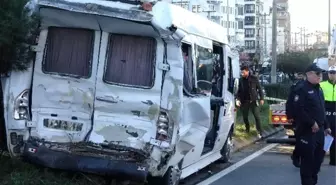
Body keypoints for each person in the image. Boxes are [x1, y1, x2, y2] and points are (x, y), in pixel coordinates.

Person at [294, 63, 331, 185]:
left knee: (317, 162)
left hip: (320, 131)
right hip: (307, 131)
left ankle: (313, 182)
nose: (321, 76)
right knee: (308, 163)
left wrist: (326, 126)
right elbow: (299, 109)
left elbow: (321, 109)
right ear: (309, 74)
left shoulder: (318, 89)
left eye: (321, 73)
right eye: (318, 74)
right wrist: (311, 122)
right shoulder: (302, 89)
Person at [236, 65, 264, 138]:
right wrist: (238, 99)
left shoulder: (254, 78)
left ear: (247, 71)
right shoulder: (241, 80)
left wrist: (261, 98)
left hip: (253, 100)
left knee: (256, 116)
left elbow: (260, 89)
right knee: (245, 116)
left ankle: (260, 131)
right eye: (241, 72)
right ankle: (247, 128)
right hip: (244, 101)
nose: (242, 74)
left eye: (243, 72)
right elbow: (239, 91)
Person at [286, 72, 306, 168]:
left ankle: (303, 158)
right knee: (300, 139)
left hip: (309, 118)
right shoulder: (295, 88)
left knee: (306, 139)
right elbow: (290, 102)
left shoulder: (313, 87)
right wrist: (289, 116)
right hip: (298, 117)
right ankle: (296, 156)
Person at [319, 65, 336, 166]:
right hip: (325, 114)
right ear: (328, 74)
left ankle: (334, 160)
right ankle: (318, 159)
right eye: (331, 73)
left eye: (334, 73)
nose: (332, 75)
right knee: (323, 138)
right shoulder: (322, 85)